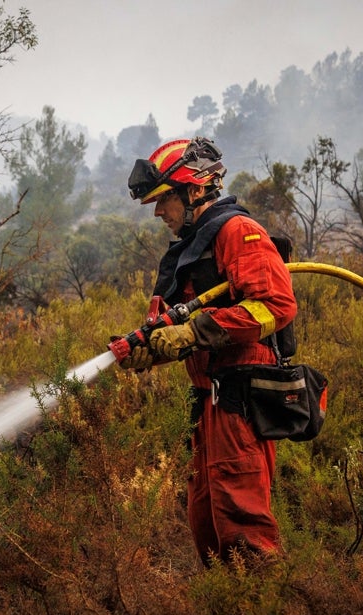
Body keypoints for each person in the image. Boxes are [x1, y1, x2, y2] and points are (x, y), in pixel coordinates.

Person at [116, 137, 297, 566]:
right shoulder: (188, 249)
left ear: (194, 190)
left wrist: (196, 332)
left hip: (238, 400)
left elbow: (276, 305)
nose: (159, 212)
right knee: (207, 528)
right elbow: (172, 327)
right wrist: (146, 348)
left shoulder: (237, 231)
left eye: (164, 200)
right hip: (206, 405)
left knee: (242, 529)